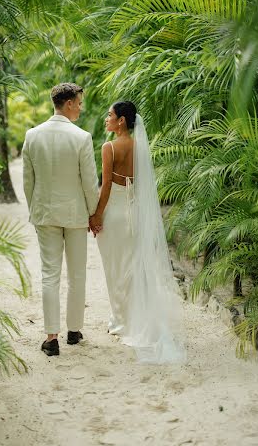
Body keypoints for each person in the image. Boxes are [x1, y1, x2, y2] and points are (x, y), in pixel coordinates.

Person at [92, 101, 186, 364]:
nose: (106, 118)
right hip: (135, 213)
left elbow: (106, 186)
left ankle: (122, 321)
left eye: (110, 115)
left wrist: (97, 214)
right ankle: (136, 319)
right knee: (134, 268)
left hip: (115, 215)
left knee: (115, 268)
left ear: (121, 120)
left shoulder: (109, 147)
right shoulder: (140, 148)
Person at [22, 83, 99, 357]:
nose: (80, 107)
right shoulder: (82, 137)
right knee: (77, 274)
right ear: (68, 103)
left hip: (45, 214)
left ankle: (51, 337)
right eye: (78, 102)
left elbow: (28, 180)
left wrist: (36, 209)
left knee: (49, 274)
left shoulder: (32, 135)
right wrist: (93, 213)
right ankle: (74, 331)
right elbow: (90, 183)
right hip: (76, 214)